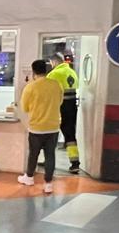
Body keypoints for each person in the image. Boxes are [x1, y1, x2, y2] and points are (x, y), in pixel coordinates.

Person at [19, 60, 63, 194]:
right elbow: (60, 101)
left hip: (36, 127)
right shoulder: (56, 85)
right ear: (46, 70)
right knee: (50, 155)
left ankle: (29, 177)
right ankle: (48, 184)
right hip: (53, 126)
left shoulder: (30, 87)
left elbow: (25, 108)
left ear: (33, 72)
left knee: (33, 154)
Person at [47, 53, 81, 174]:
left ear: (54, 62)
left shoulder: (54, 74)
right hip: (72, 108)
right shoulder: (72, 72)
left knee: (50, 134)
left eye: (51, 63)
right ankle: (75, 162)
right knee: (70, 135)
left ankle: (48, 160)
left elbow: (48, 93)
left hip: (59, 108)